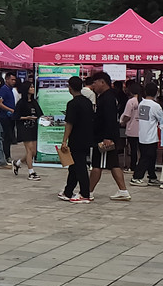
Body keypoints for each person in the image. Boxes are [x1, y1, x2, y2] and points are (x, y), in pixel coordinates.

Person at [89, 71, 131, 201]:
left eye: (95, 83)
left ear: (102, 82)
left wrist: (107, 137)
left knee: (97, 164)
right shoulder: (107, 96)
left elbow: (109, 119)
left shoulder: (107, 98)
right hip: (108, 136)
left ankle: (88, 192)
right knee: (114, 164)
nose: (93, 86)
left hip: (104, 137)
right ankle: (123, 190)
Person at [59, 76, 94, 203]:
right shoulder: (87, 102)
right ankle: (68, 191)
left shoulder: (72, 104)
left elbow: (69, 123)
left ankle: (85, 193)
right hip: (87, 137)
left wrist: (64, 140)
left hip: (76, 138)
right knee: (74, 166)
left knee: (80, 167)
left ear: (70, 88)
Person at [131, 81, 163, 186]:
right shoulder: (155, 106)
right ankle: (137, 177)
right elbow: (161, 118)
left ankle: (152, 176)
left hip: (142, 134)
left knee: (150, 157)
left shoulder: (141, 103)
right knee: (146, 158)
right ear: (156, 92)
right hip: (151, 135)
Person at [12, 81, 43, 181]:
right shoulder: (21, 103)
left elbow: (39, 113)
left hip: (33, 128)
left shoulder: (34, 102)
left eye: (33, 87)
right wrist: (27, 117)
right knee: (29, 150)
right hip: (24, 127)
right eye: (31, 87)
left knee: (33, 152)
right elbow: (15, 116)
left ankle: (18, 163)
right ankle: (31, 172)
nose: (33, 89)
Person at [0, 72, 18, 161]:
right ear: (7, 79)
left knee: (9, 136)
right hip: (5, 117)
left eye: (14, 80)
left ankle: (6, 154)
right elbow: (0, 103)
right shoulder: (3, 90)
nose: (14, 81)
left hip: (11, 117)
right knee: (6, 137)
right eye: (12, 80)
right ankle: (6, 155)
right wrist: (10, 110)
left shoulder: (11, 90)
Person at [120, 82, 142, 173]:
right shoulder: (143, 101)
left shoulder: (131, 101)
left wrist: (123, 122)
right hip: (141, 129)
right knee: (141, 150)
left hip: (132, 128)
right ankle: (141, 166)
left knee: (132, 149)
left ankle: (132, 166)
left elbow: (127, 115)